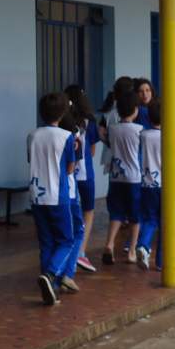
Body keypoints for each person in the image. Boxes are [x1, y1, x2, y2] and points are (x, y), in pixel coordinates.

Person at [29, 92, 78, 306]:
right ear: (63, 112)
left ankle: (50, 289)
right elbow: (69, 168)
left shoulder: (32, 135)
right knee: (67, 240)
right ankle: (50, 276)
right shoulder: (67, 137)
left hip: (36, 195)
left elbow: (30, 160)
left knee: (46, 242)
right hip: (58, 195)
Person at [64, 85, 100, 273]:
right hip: (86, 173)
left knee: (70, 211)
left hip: (67, 173)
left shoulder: (64, 120)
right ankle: (81, 251)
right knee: (88, 210)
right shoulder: (90, 121)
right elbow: (92, 150)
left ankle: (69, 249)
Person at [103, 91, 142, 265]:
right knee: (135, 218)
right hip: (134, 178)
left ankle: (109, 245)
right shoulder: (139, 130)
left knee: (116, 214)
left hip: (115, 177)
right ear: (135, 110)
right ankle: (131, 251)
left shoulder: (112, 129)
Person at [136, 100, 163, 270]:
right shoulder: (167, 136)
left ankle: (143, 245)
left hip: (146, 184)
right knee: (164, 223)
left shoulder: (143, 134)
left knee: (149, 219)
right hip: (163, 184)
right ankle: (161, 262)